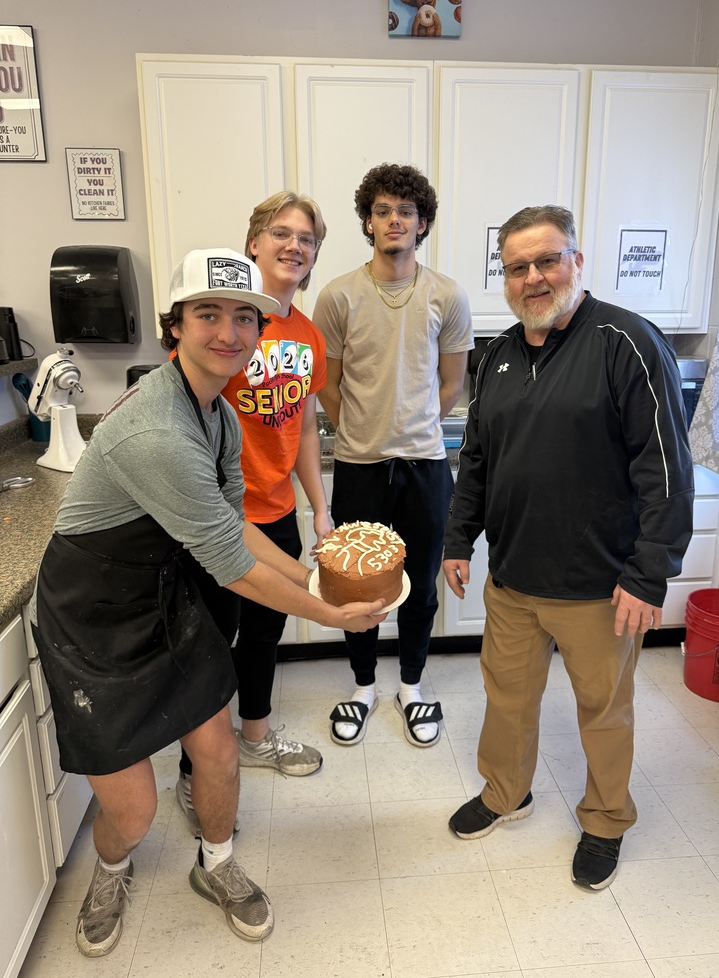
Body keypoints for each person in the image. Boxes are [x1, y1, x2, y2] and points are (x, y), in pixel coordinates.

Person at [29, 248, 386, 957]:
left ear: (260, 332)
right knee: (132, 810)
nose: (228, 331)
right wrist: (331, 615)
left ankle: (215, 866)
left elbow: (235, 524)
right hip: (92, 612)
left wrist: (313, 579)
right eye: (209, 314)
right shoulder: (157, 431)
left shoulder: (215, 411)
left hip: (164, 592)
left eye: (244, 317)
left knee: (218, 754)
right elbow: (227, 566)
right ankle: (112, 868)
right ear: (177, 327)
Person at [443, 206, 694, 891]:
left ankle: (607, 819)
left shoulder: (626, 342)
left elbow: (666, 470)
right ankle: (505, 793)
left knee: (602, 710)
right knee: (507, 699)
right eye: (518, 266)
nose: (533, 277)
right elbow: (477, 460)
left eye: (547, 260)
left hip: (599, 586)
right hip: (515, 579)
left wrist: (649, 575)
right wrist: (458, 538)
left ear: (576, 262)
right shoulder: (496, 354)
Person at [175, 194, 330, 836]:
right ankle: (197, 773)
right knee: (211, 644)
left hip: (276, 511)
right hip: (218, 516)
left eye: (307, 238)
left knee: (266, 632)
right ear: (254, 243)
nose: (294, 245)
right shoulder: (228, 326)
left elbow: (306, 425)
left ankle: (257, 736)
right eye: (281, 233)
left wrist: (320, 508)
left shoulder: (308, 334)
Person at [313, 163, 473, 748]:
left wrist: (413, 423)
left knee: (420, 585)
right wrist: (363, 426)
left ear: (422, 222)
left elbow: (451, 385)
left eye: (406, 211)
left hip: (427, 466)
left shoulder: (446, 295)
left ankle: (410, 684)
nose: (394, 220)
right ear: (367, 221)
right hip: (359, 465)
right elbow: (326, 386)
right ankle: (362, 686)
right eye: (383, 211)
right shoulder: (337, 296)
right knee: (356, 586)